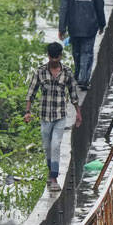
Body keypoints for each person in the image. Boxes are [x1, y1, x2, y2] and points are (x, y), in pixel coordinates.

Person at [25, 42, 82, 191]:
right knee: (47, 146)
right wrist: (27, 111)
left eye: (57, 58)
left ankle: (54, 177)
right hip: (45, 115)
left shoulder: (67, 72)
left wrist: (78, 113)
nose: (55, 61)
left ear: (60, 56)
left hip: (60, 115)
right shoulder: (40, 72)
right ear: (49, 56)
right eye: (52, 58)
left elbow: (73, 94)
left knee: (56, 145)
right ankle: (51, 172)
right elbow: (31, 92)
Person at [58, 0, 106, 90]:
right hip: (90, 27)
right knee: (87, 53)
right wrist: (102, 24)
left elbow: (63, 9)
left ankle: (79, 76)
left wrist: (62, 29)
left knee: (77, 53)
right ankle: (83, 80)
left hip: (74, 28)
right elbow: (100, 7)